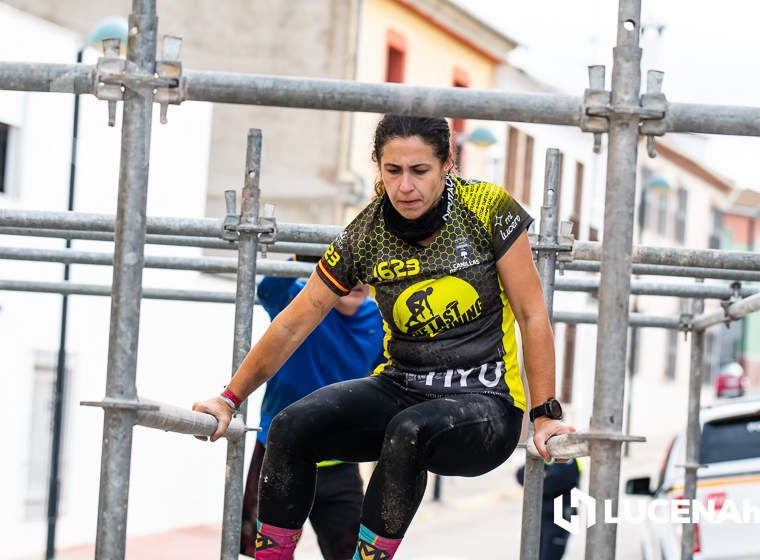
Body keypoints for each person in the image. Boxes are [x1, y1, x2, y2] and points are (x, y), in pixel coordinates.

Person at [194, 114, 575, 560]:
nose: (405, 187)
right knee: (290, 425)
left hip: (484, 404)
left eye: (419, 171)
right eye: (393, 171)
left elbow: (532, 315)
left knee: (409, 429)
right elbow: (294, 321)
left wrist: (545, 413)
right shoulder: (366, 234)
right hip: (401, 387)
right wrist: (230, 397)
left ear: (446, 164)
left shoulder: (488, 209)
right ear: (379, 167)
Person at [239, 265, 385, 559]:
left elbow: (388, 377)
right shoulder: (301, 302)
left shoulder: (378, 322)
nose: (357, 281)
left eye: (364, 273)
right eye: (348, 269)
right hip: (277, 456)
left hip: (340, 462)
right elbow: (270, 288)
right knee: (265, 552)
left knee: (351, 552)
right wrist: (304, 257)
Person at [516, 458, 583, 560]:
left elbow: (552, 483)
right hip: (540, 517)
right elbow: (521, 474)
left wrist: (537, 477)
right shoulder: (545, 457)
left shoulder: (569, 459)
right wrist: (543, 476)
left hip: (560, 519)